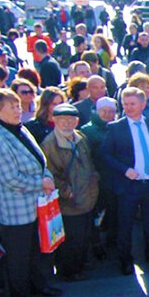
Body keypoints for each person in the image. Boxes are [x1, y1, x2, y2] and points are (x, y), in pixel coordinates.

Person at [0, 89, 59, 297]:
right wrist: (41, 183)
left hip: (36, 204)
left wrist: (46, 175)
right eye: (12, 107)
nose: (18, 111)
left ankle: (39, 286)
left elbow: (39, 160)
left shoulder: (20, 129)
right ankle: (20, 295)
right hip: (16, 210)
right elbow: (10, 179)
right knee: (19, 256)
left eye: (18, 106)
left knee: (36, 250)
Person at [100, 88, 149, 274]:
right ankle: (125, 260)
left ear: (143, 104)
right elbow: (105, 154)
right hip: (128, 185)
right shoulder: (116, 127)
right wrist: (124, 170)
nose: (128, 108)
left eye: (132, 104)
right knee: (125, 224)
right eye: (125, 104)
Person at [40, 104, 99, 282]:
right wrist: (67, 192)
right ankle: (70, 271)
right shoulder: (49, 144)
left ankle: (80, 264)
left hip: (87, 196)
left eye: (70, 120)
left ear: (77, 121)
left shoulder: (80, 137)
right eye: (62, 120)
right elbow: (49, 174)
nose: (66, 123)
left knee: (83, 235)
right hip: (69, 202)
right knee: (71, 239)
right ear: (54, 120)